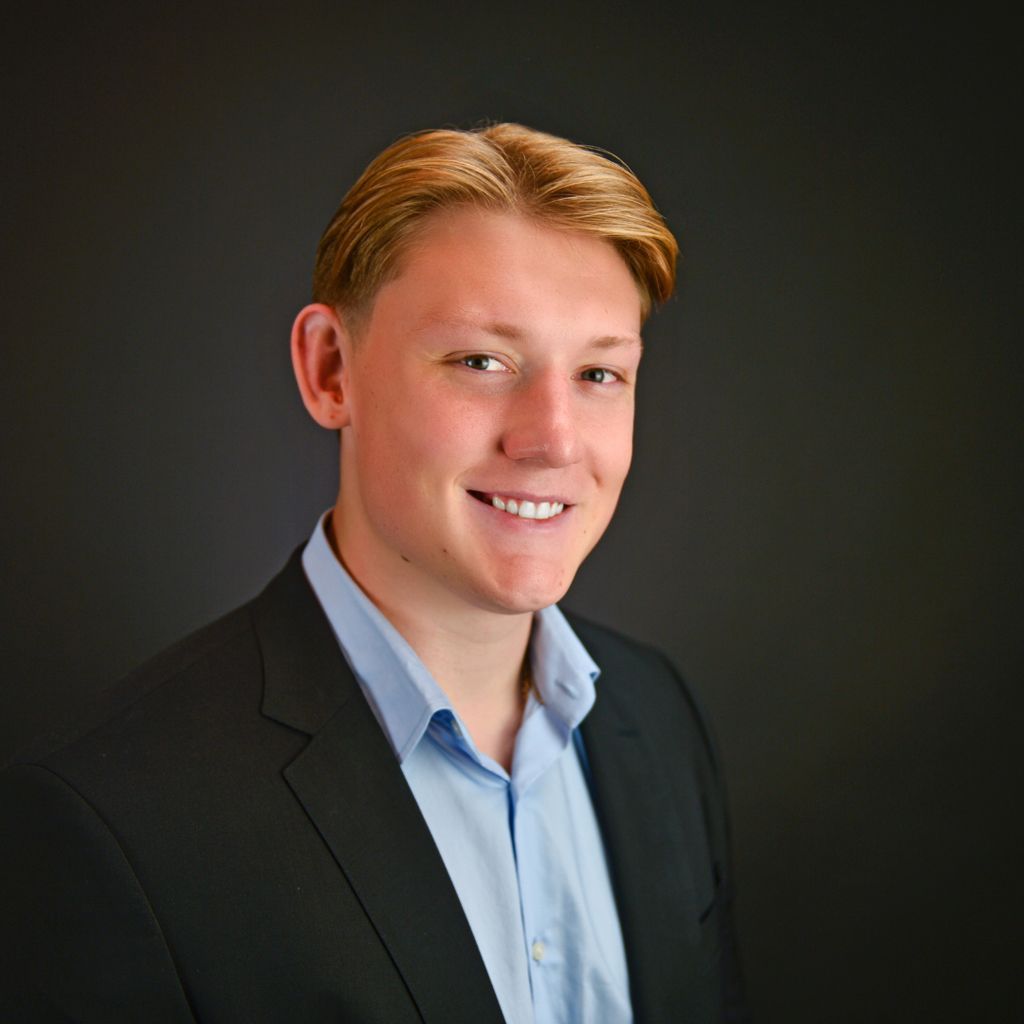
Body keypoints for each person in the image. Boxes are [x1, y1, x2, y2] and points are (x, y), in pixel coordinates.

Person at [0, 123, 748, 1023]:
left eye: (598, 373)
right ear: (330, 371)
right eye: (482, 361)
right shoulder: (111, 821)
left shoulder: (659, 719)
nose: (552, 439)